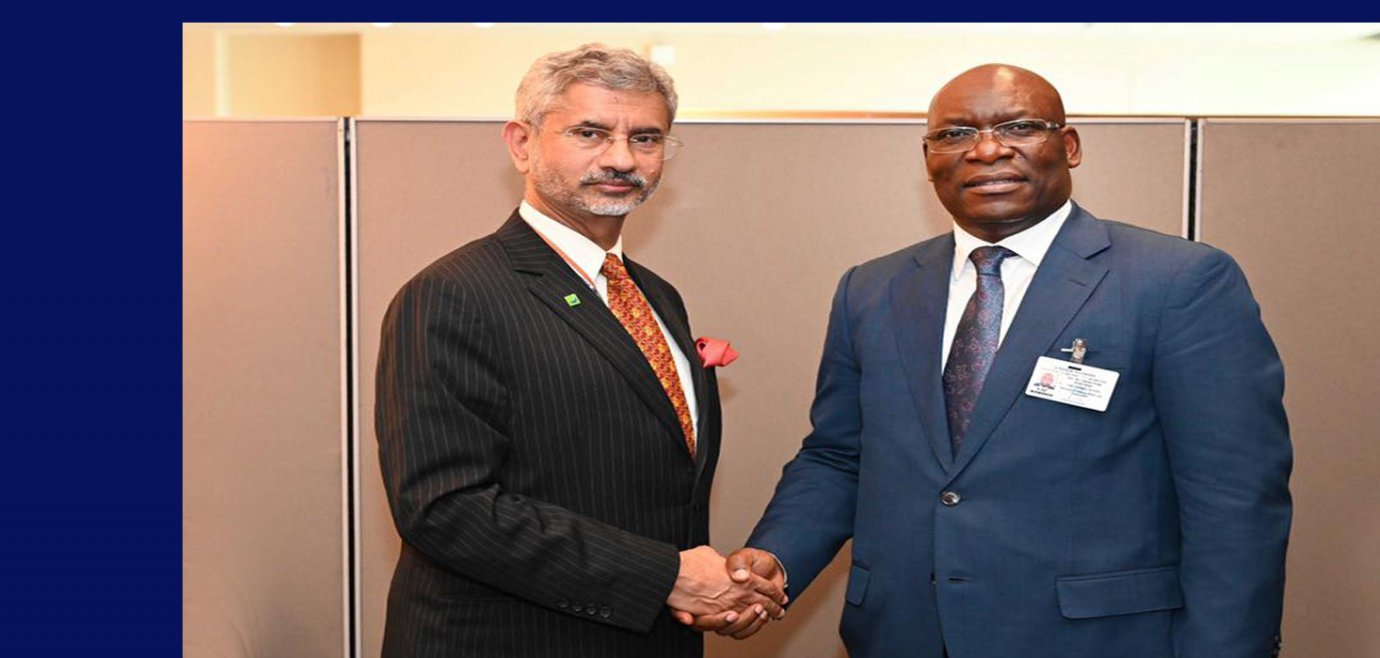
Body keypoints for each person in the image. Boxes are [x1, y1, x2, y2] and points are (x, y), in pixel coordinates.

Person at [722, 64, 1293, 657]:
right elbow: (841, 455)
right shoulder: (874, 289)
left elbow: (1234, 502)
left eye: (1019, 126)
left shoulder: (1176, 281)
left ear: (1068, 147)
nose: (987, 150)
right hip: (904, 635)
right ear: (927, 158)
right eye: (955, 134)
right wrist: (776, 559)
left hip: (1096, 639)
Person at [374, 43, 783, 658]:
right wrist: (666, 576)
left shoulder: (656, 297)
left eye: (646, 138)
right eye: (590, 132)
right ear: (521, 144)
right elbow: (445, 508)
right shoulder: (452, 294)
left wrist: (722, 587)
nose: (621, 158)